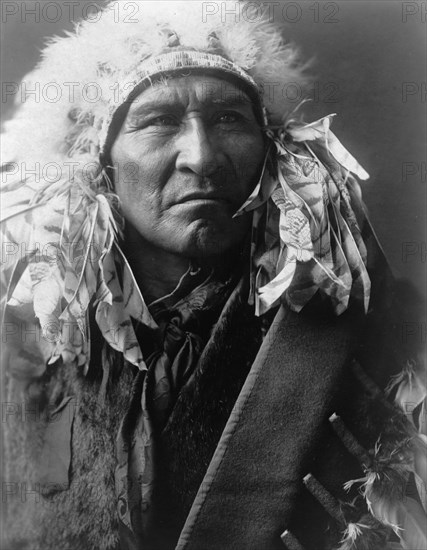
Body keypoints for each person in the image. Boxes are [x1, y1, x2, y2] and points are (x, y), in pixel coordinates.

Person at [0, 2, 425, 549]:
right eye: (158, 121)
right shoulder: (26, 351)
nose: (201, 157)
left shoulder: (387, 330)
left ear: (273, 150)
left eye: (229, 118)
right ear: (98, 165)